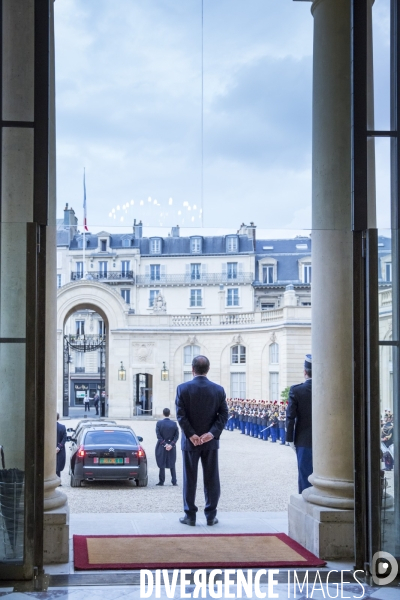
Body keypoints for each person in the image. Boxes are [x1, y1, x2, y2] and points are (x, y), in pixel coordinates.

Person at [176, 355, 228, 526]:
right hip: (210, 442)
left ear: (192, 369)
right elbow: (224, 415)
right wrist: (211, 434)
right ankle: (211, 515)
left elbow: (181, 416)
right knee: (212, 478)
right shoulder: (218, 390)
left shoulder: (182, 389)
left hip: (190, 442)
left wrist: (191, 435)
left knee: (189, 479)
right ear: (208, 369)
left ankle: (190, 516)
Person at [286, 354, 313, 494]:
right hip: (326, 441)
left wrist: (289, 438)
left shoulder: (297, 390)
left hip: (303, 439)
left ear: (305, 372)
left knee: (305, 476)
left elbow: (290, 417)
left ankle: (306, 504)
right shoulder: (328, 390)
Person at [155, 408, 179, 486]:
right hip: (172, 446)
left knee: (162, 463)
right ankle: (174, 481)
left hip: (162, 446)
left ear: (163, 414)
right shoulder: (174, 424)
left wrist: (165, 444)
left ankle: (161, 481)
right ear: (170, 414)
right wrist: (171, 444)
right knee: (172, 462)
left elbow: (158, 436)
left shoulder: (159, 423)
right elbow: (176, 436)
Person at [56, 413, 67, 481]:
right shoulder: (62, 427)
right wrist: (59, 447)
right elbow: (64, 439)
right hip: (59, 449)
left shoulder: (48, 426)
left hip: (51, 448)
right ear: (58, 418)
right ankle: (58, 480)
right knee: (58, 465)